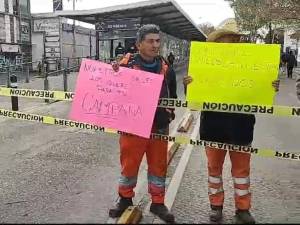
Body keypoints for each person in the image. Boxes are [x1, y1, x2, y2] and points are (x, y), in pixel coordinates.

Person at [183, 29, 280, 224]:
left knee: (242, 172)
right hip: (213, 126)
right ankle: (216, 207)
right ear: (216, 44)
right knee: (214, 170)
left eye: (234, 40)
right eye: (227, 41)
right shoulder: (205, 66)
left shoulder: (250, 64)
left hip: (241, 126)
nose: (231, 44)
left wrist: (270, 86)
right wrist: (189, 86)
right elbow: (193, 101)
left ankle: (243, 209)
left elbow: (261, 92)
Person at [109, 24, 177, 223]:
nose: (156, 45)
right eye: (150, 41)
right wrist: (113, 72)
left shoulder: (167, 68)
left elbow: (172, 95)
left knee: (158, 166)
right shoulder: (124, 66)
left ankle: (158, 203)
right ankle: (124, 198)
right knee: (129, 165)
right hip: (132, 126)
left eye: (158, 41)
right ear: (139, 44)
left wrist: (168, 115)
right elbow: (111, 90)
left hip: (159, 127)